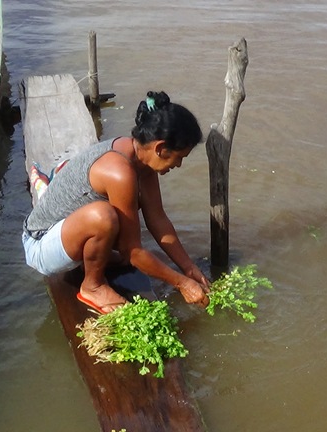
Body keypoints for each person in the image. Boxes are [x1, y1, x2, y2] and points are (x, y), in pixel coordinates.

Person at [22, 91, 210, 314]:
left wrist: (189, 269)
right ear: (160, 148)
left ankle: (93, 260)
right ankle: (92, 286)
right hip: (40, 244)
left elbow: (158, 221)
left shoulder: (141, 158)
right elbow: (132, 251)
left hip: (69, 232)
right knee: (104, 216)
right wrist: (181, 283)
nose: (178, 165)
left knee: (119, 229)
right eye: (179, 157)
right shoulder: (119, 172)